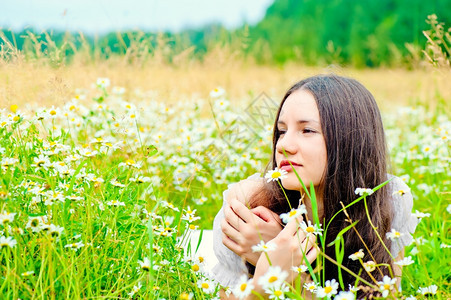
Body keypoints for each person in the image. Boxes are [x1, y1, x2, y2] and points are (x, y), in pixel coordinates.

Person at [211, 74, 418, 299]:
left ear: (350, 140)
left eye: (307, 130)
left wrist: (291, 269)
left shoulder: (388, 197)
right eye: (281, 131)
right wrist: (263, 282)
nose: (284, 145)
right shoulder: (245, 210)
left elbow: (386, 294)